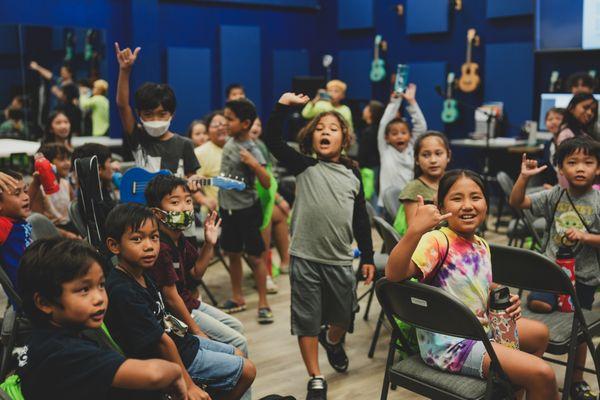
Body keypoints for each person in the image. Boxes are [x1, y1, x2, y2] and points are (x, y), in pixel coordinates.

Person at [387, 169, 558, 400]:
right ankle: (514, 383)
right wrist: (415, 230)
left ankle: (510, 391)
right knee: (543, 374)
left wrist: (501, 296)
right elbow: (394, 274)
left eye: (475, 197)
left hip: (480, 327)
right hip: (450, 345)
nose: (467, 205)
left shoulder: (480, 244)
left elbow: (475, 283)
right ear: (440, 205)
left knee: (539, 334)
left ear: (486, 204)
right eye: (457, 198)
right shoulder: (437, 240)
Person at [264, 93, 375, 400]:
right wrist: (282, 107)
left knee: (343, 316)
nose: (325, 132)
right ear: (311, 138)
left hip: (339, 259)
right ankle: (315, 376)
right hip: (305, 258)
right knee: (307, 319)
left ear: (345, 138)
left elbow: (361, 220)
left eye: (333, 128)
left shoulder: (352, 173)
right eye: (319, 128)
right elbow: (272, 139)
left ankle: (332, 340)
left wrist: (367, 255)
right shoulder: (303, 165)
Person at [104, 203, 256, 400]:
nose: (149, 246)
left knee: (238, 352)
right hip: (174, 359)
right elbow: (162, 342)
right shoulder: (122, 290)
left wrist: (194, 335)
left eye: (154, 237)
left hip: (184, 343)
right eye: (137, 239)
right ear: (114, 245)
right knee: (247, 371)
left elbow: (165, 317)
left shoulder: (142, 273)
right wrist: (188, 384)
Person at [16, 237, 187, 400]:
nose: (99, 298)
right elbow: (153, 375)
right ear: (44, 302)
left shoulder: (43, 338)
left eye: (101, 285)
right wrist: (175, 372)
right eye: (84, 289)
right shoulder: (65, 353)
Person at [510, 137, 600, 400]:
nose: (580, 168)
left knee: (579, 329)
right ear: (560, 168)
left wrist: (587, 237)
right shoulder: (556, 194)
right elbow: (518, 202)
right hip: (551, 273)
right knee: (540, 308)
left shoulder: (597, 200)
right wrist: (524, 177)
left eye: (588, 162)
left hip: (583, 276)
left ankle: (576, 380)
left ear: (598, 168)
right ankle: (527, 370)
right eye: (572, 162)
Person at [144, 174, 249, 358]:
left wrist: (209, 243)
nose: (185, 208)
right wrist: (197, 331)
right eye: (175, 203)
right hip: (178, 312)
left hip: (189, 302)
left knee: (237, 326)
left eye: (188, 201)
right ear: (157, 213)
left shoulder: (180, 238)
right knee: (239, 341)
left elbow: (195, 274)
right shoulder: (162, 247)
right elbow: (170, 298)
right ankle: (237, 378)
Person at [218, 99, 273, 324]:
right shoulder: (230, 141)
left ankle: (263, 302)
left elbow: (267, 182)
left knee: (255, 257)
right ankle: (238, 297)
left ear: (245, 123)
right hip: (227, 209)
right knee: (232, 253)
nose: (225, 122)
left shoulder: (253, 148)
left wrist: (253, 163)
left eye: (230, 119)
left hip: (247, 210)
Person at [114, 43, 199, 176]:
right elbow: (122, 106)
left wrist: (196, 184)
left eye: (162, 114)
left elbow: (192, 179)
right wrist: (124, 71)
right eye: (148, 114)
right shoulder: (138, 138)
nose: (155, 120)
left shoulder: (184, 144)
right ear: (139, 114)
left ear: (172, 114)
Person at [249, 117, 290, 285]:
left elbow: (268, 180)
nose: (256, 127)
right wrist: (279, 199)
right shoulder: (238, 147)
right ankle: (264, 272)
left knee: (279, 213)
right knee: (267, 215)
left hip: (261, 196)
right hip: (243, 202)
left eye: (259, 124)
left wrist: (278, 199)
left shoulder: (260, 146)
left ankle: (285, 261)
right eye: (252, 123)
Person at [377, 84, 427, 208]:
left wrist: (411, 102)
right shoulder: (385, 150)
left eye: (404, 133)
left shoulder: (412, 148)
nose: (399, 136)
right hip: (388, 205)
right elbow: (384, 123)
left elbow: (421, 127)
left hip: (410, 202)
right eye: (394, 133)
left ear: (410, 135)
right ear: (386, 137)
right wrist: (395, 101)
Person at [393, 131, 451, 235]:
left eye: (438, 153)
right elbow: (414, 231)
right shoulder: (414, 189)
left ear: (448, 155)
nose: (433, 160)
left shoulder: (454, 183)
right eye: (426, 155)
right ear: (416, 159)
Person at [28, 143, 79, 239]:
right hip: (50, 233)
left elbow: (75, 212)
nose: (67, 163)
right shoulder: (39, 189)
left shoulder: (66, 184)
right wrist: (67, 235)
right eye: (61, 159)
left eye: (68, 159)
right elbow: (38, 222)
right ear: (47, 164)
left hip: (71, 228)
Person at [0, 169, 32, 287]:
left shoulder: (17, 219)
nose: (26, 197)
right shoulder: (3, 225)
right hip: (30, 292)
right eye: (17, 193)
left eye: (25, 191)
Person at [194, 111, 228, 211]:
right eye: (215, 125)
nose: (220, 127)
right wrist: (202, 199)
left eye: (223, 124)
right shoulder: (199, 153)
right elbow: (189, 181)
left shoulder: (238, 147)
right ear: (208, 131)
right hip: (216, 212)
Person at [357, 100, 384, 206]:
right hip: (373, 166)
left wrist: (361, 164)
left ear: (371, 112)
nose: (364, 110)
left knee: (371, 194)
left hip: (371, 168)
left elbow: (364, 152)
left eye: (367, 108)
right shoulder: (373, 129)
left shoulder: (370, 131)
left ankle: (375, 218)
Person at [538, 107, 566, 187]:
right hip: (551, 185)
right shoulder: (548, 144)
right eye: (550, 119)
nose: (553, 122)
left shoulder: (569, 143)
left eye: (558, 118)